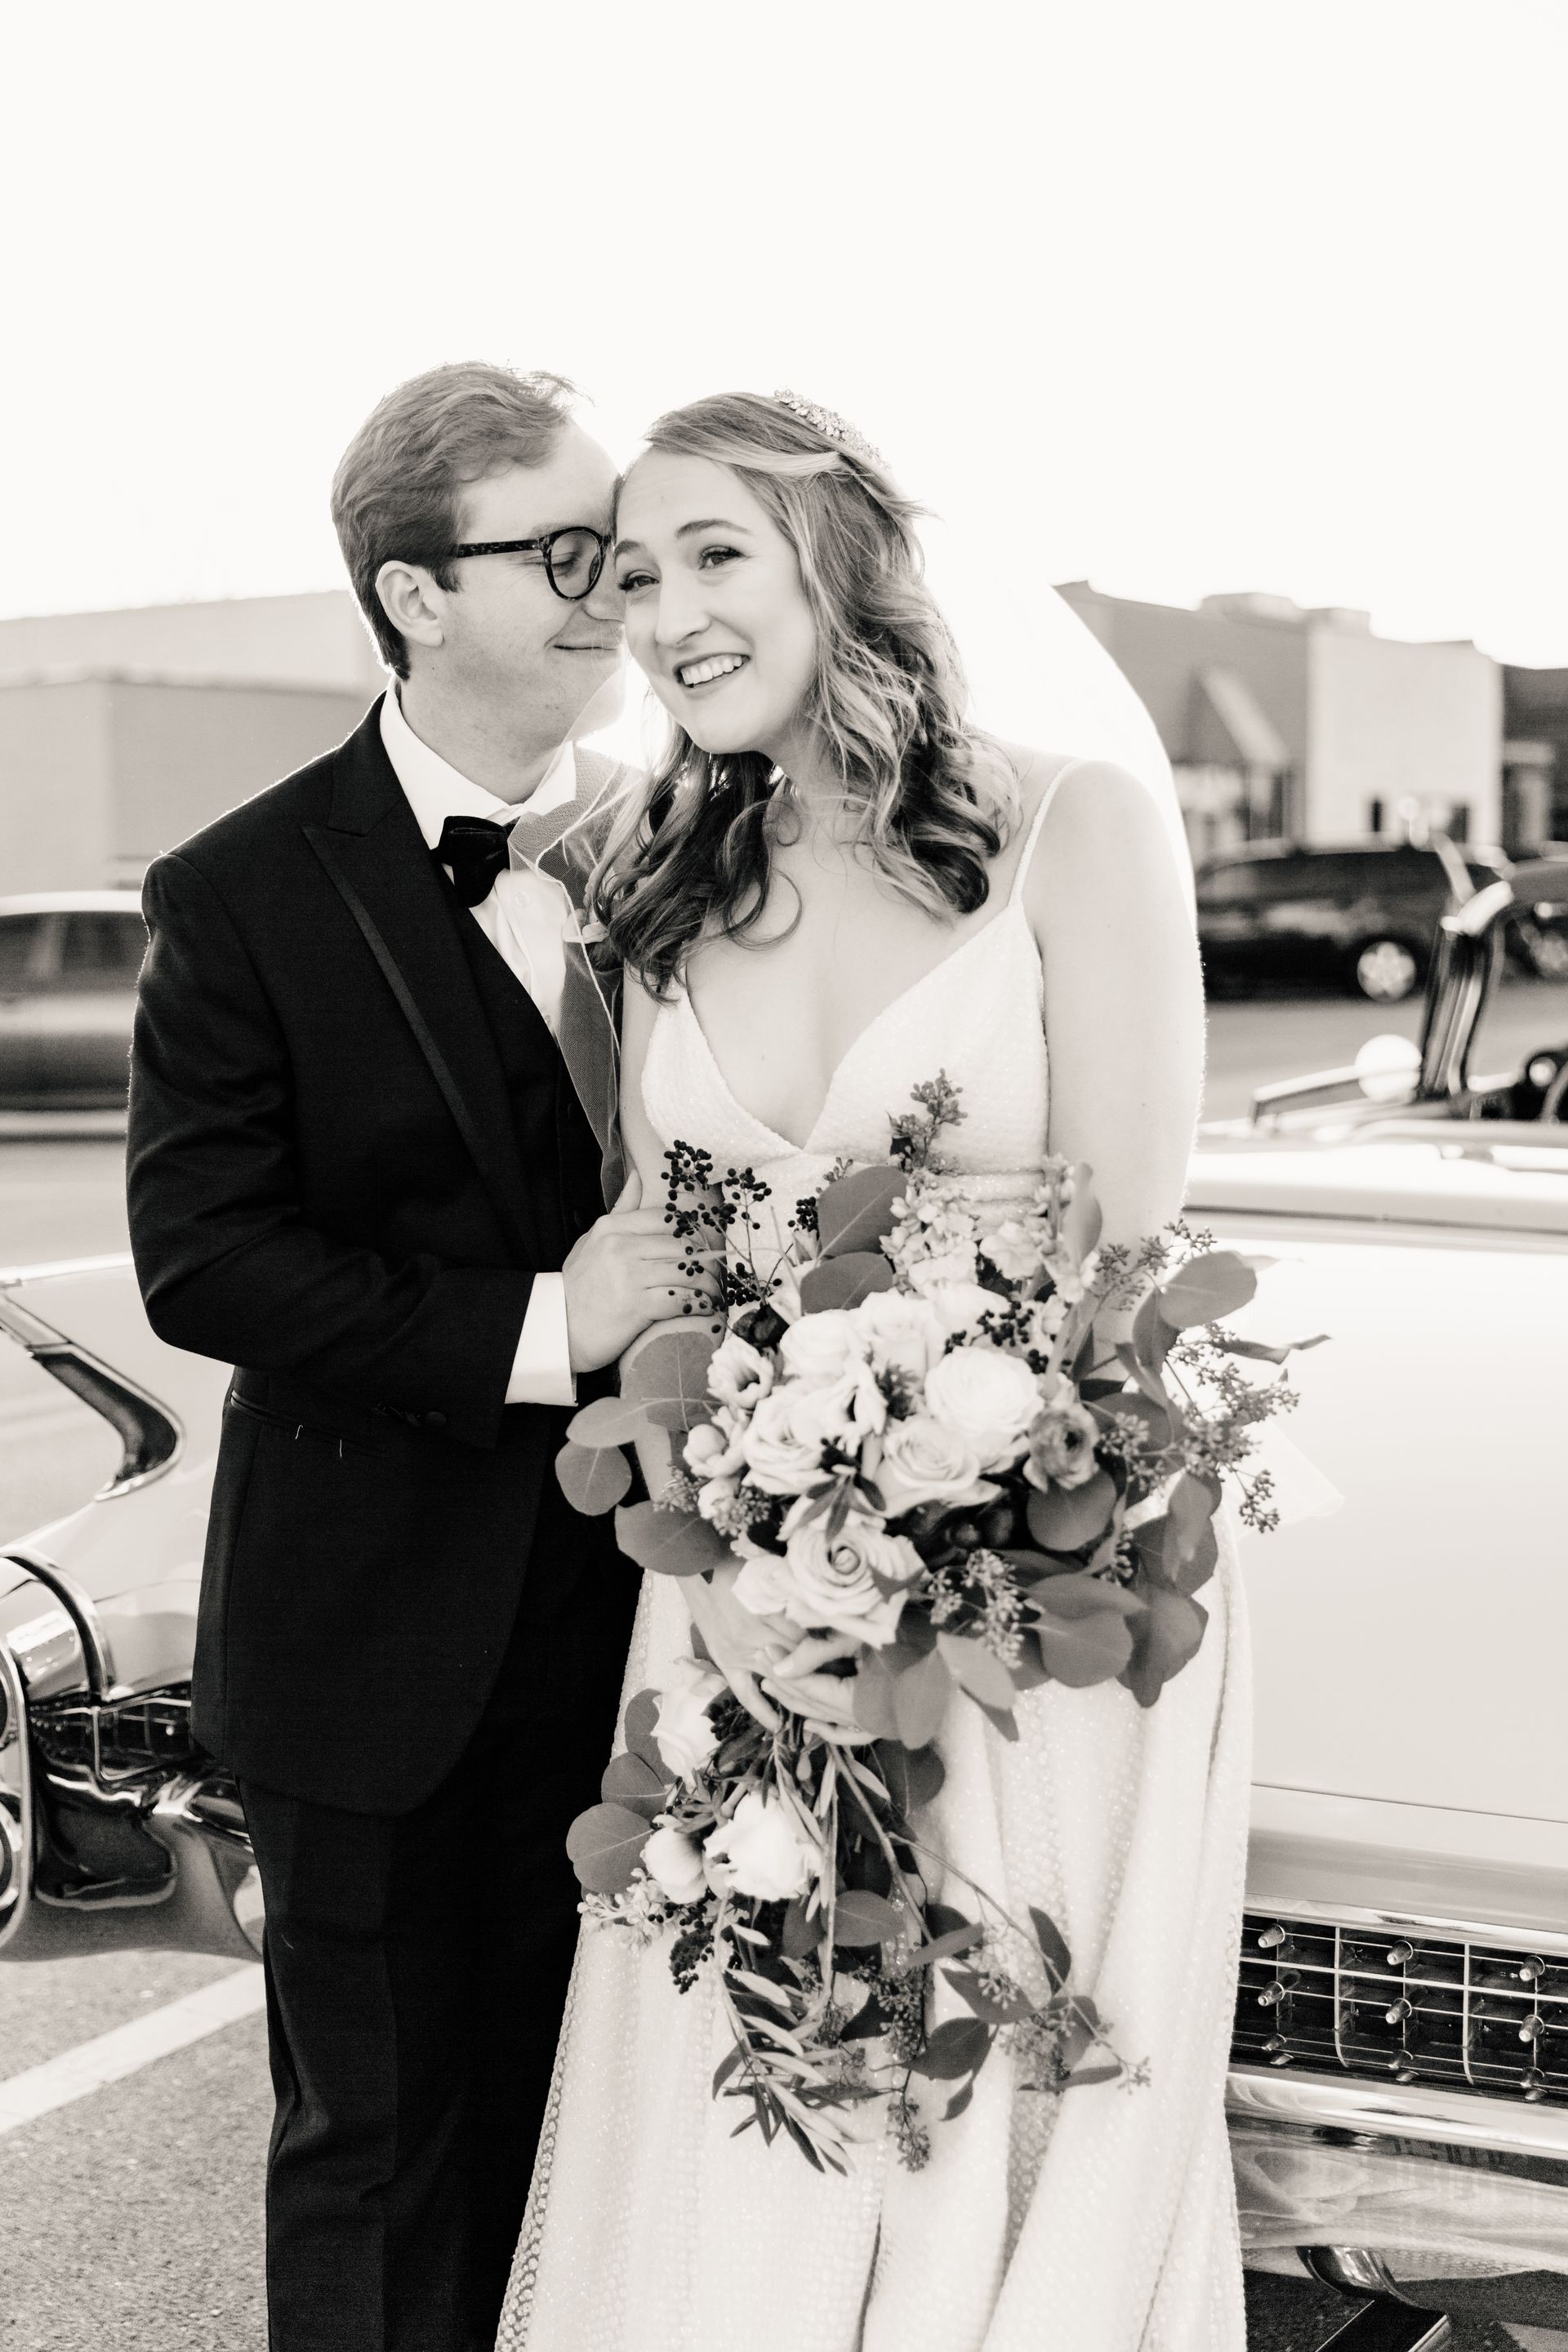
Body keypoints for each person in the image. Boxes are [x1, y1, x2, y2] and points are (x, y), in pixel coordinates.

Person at [501, 393, 1252, 2351]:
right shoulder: (662, 881)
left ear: (844, 564)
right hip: (746, 1598)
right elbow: (674, 1280)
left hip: (1044, 1586)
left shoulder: (1069, 819)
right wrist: (756, 1571)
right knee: (773, 2100)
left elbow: (1129, 1245)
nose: (667, 614)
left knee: (1006, 2069)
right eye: (635, 574)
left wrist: (925, 1552)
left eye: (715, 555)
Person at [126, 363, 713, 2352]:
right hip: (373, 1647)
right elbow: (206, 1263)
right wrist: (555, 1329)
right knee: (382, 2161)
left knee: (622, 2142)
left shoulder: (709, 855)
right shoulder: (240, 894)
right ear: (411, 593)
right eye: (559, 551)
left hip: (677, 1643)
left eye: (613, 545)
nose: (608, 587)